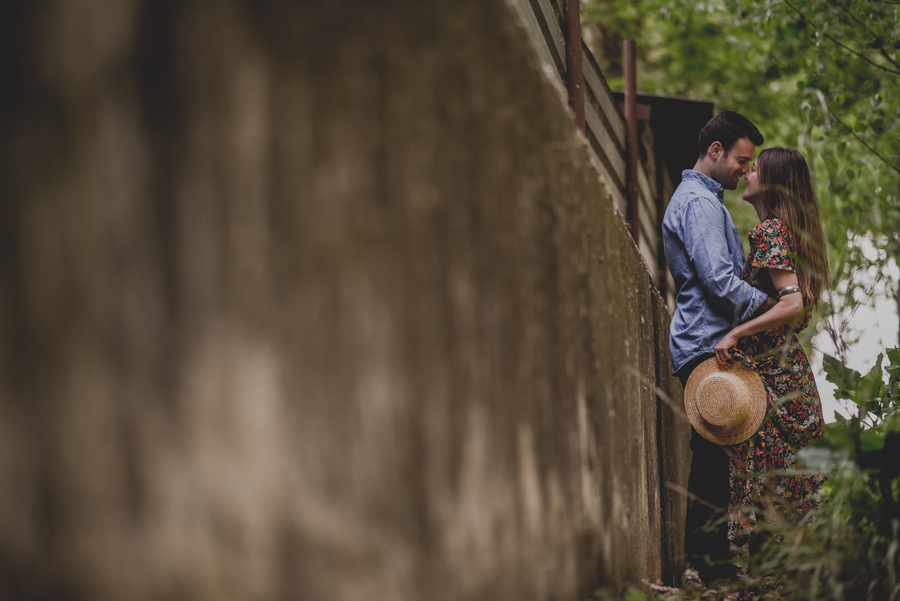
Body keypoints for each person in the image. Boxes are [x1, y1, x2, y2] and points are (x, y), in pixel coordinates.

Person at [662, 110, 774, 583]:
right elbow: (719, 281)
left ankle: (714, 564)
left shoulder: (705, 201)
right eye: (742, 162)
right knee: (711, 458)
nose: (746, 172)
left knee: (715, 456)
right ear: (715, 151)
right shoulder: (701, 205)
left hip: (708, 339)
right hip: (706, 342)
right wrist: (771, 306)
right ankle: (709, 566)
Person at [712, 147, 828, 552]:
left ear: (772, 182)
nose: (747, 174)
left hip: (776, 376)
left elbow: (791, 304)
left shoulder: (771, 231)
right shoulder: (788, 231)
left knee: (773, 474)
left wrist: (736, 334)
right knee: (784, 475)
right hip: (786, 369)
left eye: (755, 169)